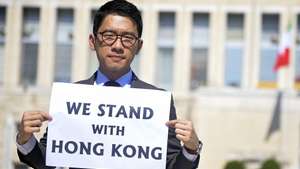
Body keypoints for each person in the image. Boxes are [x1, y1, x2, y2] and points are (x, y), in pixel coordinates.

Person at [16, 0, 202, 168]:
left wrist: (191, 150)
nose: (118, 45)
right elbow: (47, 160)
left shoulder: (157, 102)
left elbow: (171, 166)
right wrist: (26, 139)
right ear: (92, 41)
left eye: (128, 38)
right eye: (109, 35)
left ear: (138, 46)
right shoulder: (72, 97)